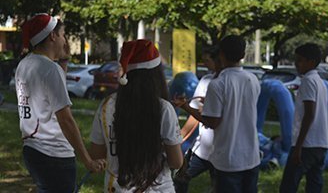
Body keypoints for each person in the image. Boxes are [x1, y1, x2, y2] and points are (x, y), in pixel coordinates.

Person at [15, 13, 105, 192]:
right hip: (54, 154)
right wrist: (87, 160)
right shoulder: (49, 69)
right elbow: (66, 120)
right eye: (63, 34)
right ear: (52, 35)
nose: (64, 40)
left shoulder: (25, 65)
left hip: (32, 150)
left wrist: (63, 60)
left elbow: (51, 91)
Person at [89, 39, 183, 192]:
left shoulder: (107, 106)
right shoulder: (163, 109)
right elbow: (176, 162)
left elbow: (97, 154)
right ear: (155, 75)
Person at [174, 35, 261, 193]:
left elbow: (212, 122)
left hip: (229, 160)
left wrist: (186, 107)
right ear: (243, 55)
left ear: (221, 54)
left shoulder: (218, 84)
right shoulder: (253, 79)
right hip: (252, 156)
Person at [279, 43, 328, 193]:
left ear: (311, 62)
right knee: (314, 185)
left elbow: (309, 114)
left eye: (300, 60)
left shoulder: (308, 81)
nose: (296, 64)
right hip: (321, 144)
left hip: (307, 144)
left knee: (288, 185)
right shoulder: (321, 82)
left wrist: (298, 146)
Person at [173, 46, 220, 193]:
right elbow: (195, 116)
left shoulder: (227, 82)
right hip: (203, 148)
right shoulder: (205, 80)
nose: (205, 64)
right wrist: (180, 136)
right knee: (181, 177)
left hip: (222, 150)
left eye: (208, 60)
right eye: (203, 60)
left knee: (218, 186)